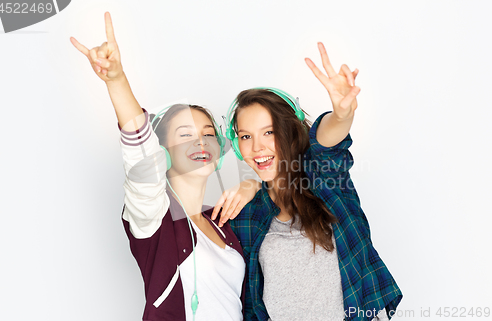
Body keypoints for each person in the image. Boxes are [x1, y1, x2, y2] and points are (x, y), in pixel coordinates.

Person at [70, 12, 260, 321]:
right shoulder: (153, 219)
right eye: (185, 135)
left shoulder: (224, 222)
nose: (201, 143)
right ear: (163, 153)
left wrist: (251, 184)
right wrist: (117, 80)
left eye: (208, 135)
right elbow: (142, 158)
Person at [214, 43, 403, 321]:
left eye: (269, 132)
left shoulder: (324, 176)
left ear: (291, 131)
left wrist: (342, 114)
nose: (257, 147)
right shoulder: (243, 214)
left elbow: (328, 141)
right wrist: (249, 186)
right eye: (245, 136)